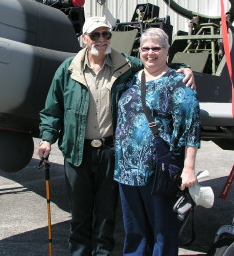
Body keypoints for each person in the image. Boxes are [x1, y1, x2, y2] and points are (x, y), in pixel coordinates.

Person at [37, 16, 195, 255]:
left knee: (106, 215)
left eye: (106, 35)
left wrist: (184, 67)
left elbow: (155, 63)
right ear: (84, 39)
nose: (102, 40)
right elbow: (52, 107)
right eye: (95, 35)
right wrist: (47, 138)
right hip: (77, 151)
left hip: (111, 153)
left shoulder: (125, 65)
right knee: (79, 214)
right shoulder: (68, 69)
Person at [114, 28, 201, 255]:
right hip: (126, 171)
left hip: (159, 172)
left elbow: (190, 129)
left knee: (162, 232)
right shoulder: (130, 79)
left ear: (167, 52)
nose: (150, 53)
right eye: (145, 48)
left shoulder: (178, 83)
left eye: (156, 48)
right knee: (134, 232)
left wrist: (189, 168)